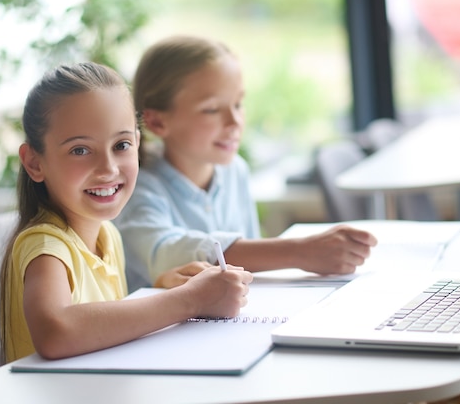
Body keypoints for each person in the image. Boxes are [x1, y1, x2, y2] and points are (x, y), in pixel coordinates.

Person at [0, 62, 253, 363]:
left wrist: (163, 290)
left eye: (121, 145)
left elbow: (102, 326)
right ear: (34, 163)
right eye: (80, 150)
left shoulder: (107, 235)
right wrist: (188, 300)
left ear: (138, 143)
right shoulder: (46, 247)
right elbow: (57, 333)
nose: (108, 169)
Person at [114, 35, 378, 292]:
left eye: (238, 104)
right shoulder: (136, 189)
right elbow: (166, 253)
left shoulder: (234, 171)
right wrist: (299, 252)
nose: (234, 121)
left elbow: (250, 268)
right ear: (158, 122)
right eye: (212, 109)